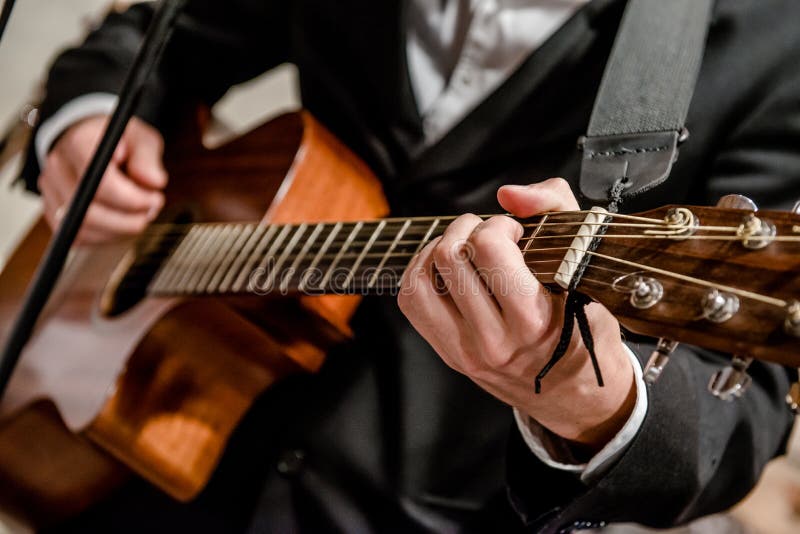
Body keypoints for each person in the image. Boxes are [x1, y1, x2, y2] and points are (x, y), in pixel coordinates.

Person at [18, 0, 800, 532]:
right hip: (129, 456)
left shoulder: (778, 42)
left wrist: (593, 406)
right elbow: (169, 33)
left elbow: (739, 410)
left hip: (405, 510)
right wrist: (84, 120)